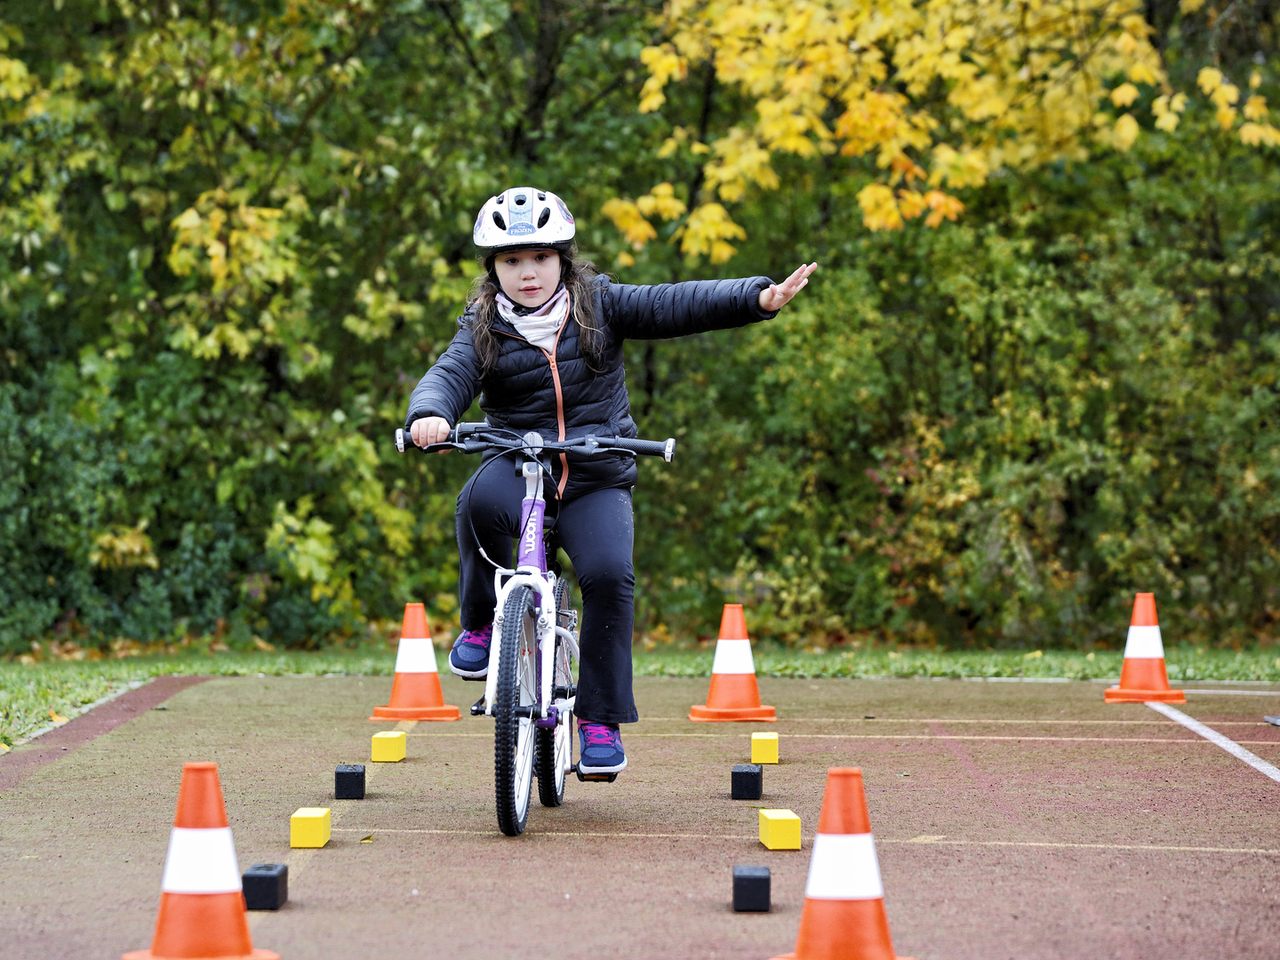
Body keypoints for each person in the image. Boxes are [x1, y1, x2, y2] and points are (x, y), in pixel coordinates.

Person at [405, 186, 815, 777]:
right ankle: (481, 621)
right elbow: (447, 375)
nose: (528, 273)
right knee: (473, 503)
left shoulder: (598, 304)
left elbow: (674, 303)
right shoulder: (482, 327)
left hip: (596, 474)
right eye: (513, 261)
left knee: (608, 575)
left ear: (563, 260)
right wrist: (429, 415)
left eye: (541, 258)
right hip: (520, 466)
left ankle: (598, 721)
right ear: (493, 269)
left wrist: (757, 298)